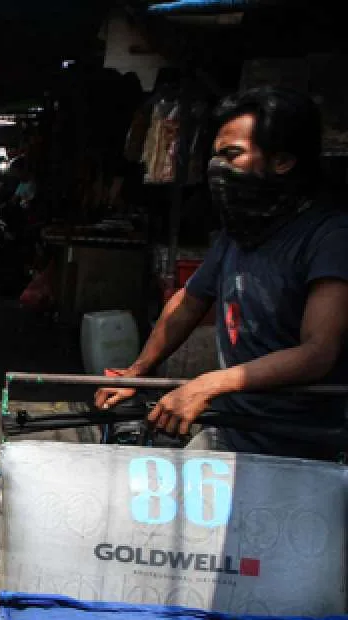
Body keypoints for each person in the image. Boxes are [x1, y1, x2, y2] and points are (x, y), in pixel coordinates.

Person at [96, 87, 348, 460]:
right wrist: (138, 371)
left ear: (282, 161)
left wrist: (208, 385)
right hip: (232, 432)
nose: (218, 168)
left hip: (303, 449)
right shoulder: (239, 234)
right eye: (216, 156)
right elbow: (190, 300)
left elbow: (318, 352)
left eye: (233, 155)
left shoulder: (330, 237)